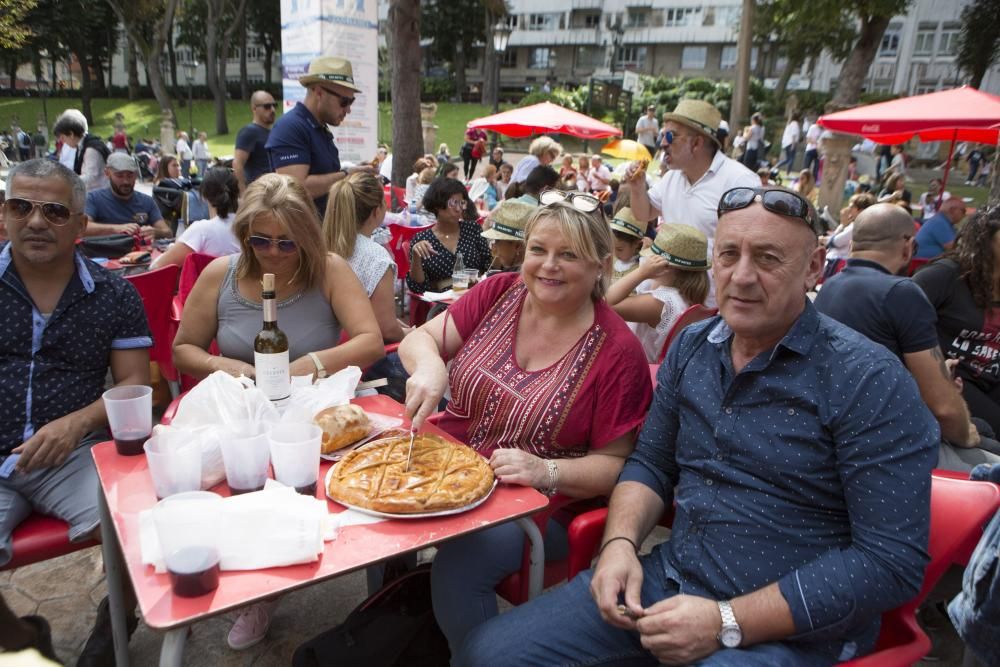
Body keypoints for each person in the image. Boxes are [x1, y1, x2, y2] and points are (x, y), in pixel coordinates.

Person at [459, 185, 939, 667]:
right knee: (488, 653)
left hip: (793, 632)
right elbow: (650, 463)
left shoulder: (868, 379)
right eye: (729, 255)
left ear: (814, 267)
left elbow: (889, 562)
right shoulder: (693, 347)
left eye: (768, 258)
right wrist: (620, 546)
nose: (743, 276)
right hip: (670, 581)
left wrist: (727, 621)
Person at [400, 200, 653, 656]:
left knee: (462, 561)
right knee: (380, 516)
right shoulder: (498, 291)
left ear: (600, 264)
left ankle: (474, 657)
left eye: (569, 254)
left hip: (537, 504)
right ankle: (391, 629)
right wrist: (431, 366)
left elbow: (618, 466)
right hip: (451, 465)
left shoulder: (618, 352)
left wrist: (545, 471)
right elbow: (419, 338)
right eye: (539, 249)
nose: (549, 266)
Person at [0, 159, 152, 664]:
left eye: (54, 211)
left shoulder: (114, 294)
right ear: (5, 215)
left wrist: (77, 423)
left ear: (81, 227)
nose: (36, 222)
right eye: (22, 207)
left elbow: (134, 381)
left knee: (140, 522)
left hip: (70, 457)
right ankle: (19, 637)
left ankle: (119, 619)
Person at [815, 203, 999, 472]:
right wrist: (969, 434)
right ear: (908, 246)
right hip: (885, 445)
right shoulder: (903, 292)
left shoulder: (831, 286)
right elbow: (945, 409)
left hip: (844, 432)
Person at [625, 99, 758, 307]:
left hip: (711, 301)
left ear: (696, 143)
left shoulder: (739, 181)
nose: (662, 143)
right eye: (662, 135)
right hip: (666, 292)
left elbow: (749, 245)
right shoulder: (671, 177)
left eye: (670, 136)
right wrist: (637, 187)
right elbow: (644, 214)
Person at [914, 206, 1000, 435]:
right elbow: (898, 315)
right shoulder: (947, 275)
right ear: (987, 236)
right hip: (952, 378)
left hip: (992, 377)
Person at [266, 56, 374, 218]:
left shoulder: (318, 128)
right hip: (300, 238)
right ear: (319, 92)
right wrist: (346, 175)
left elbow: (323, 175)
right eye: (344, 102)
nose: (348, 110)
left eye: (351, 102)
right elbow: (296, 189)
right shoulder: (290, 127)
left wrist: (352, 171)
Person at [323, 172, 409, 343]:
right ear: (377, 211)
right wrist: (410, 335)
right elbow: (387, 330)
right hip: (358, 354)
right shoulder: (376, 257)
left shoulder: (323, 245)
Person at [607, 223, 710, 363]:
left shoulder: (661, 304)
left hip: (639, 368)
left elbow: (607, 303)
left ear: (664, 267)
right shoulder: (685, 297)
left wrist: (641, 273)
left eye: (651, 259)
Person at [406, 178, 491, 294]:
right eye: (453, 203)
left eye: (462, 203)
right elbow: (418, 287)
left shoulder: (472, 229)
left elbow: (488, 265)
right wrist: (416, 258)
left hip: (476, 296)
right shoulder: (422, 240)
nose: (458, 209)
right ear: (437, 205)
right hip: (441, 303)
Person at [152, 168, 242, 269]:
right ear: (237, 194)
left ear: (203, 195)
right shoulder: (249, 227)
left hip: (208, 284)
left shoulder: (202, 230)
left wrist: (172, 249)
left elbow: (157, 267)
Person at [85, 153, 171, 240]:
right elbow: (82, 228)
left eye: (130, 176)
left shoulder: (147, 201)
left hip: (140, 251)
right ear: (107, 173)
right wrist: (116, 229)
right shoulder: (93, 198)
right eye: (120, 176)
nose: (125, 181)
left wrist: (155, 232)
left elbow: (167, 232)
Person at [818, 192, 877, 277]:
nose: (848, 209)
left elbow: (837, 241)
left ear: (861, 210)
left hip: (837, 264)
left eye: (852, 207)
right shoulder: (860, 225)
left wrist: (822, 239)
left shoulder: (857, 225)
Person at [53, 110, 110, 192]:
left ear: (71, 134)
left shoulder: (91, 149)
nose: (63, 142)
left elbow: (91, 176)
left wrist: (67, 180)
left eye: (62, 137)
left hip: (99, 194)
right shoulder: (82, 146)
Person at [233, 91, 278, 192]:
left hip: (274, 192)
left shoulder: (274, 132)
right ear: (254, 108)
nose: (272, 110)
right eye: (267, 106)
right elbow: (237, 164)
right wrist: (243, 194)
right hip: (258, 193)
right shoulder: (249, 132)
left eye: (274, 105)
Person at [481, 199, 531, 275]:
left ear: (517, 246)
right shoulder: (516, 270)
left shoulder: (520, 278)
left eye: (497, 241)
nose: (493, 249)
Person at [608, 206, 646, 284]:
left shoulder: (642, 268)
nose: (615, 253)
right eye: (612, 247)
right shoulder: (610, 262)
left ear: (636, 244)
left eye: (619, 249)